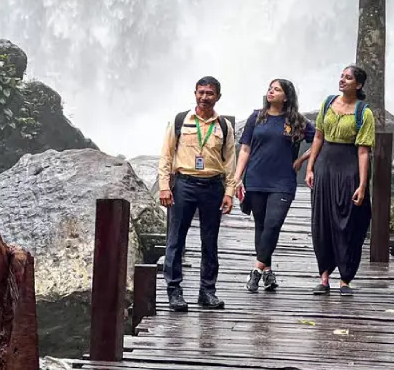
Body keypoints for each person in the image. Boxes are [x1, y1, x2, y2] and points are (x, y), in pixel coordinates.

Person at [158, 76, 236, 312]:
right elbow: (166, 155)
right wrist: (164, 186)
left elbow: (230, 161)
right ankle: (174, 291)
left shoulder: (224, 126)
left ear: (218, 97)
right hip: (184, 185)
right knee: (176, 240)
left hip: (213, 186)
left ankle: (207, 291)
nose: (204, 97)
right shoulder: (181, 120)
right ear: (195, 94)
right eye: (201, 92)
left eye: (209, 93)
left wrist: (229, 192)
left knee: (209, 241)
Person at [234, 79, 315, 293]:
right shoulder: (257, 117)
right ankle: (268, 271)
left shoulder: (296, 120)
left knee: (272, 225)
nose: (271, 91)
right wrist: (236, 178)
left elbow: (319, 140)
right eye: (270, 88)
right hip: (256, 179)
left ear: (286, 96)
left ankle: (257, 271)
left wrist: (302, 160)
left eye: (277, 89)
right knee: (261, 226)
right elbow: (245, 149)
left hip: (283, 181)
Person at [305, 65, 374, 296]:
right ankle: (323, 278)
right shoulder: (328, 103)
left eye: (348, 77)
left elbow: (363, 151)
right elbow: (318, 137)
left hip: (348, 168)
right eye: (342, 76)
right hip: (325, 166)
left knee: (347, 221)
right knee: (322, 221)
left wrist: (363, 185)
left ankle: (345, 279)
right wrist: (310, 167)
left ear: (359, 84)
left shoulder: (364, 113)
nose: (342, 80)